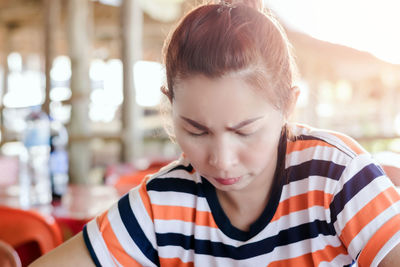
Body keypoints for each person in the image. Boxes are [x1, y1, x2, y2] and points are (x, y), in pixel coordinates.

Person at [31, 0, 400, 266]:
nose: (221, 159)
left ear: (288, 105)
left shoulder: (335, 176)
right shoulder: (162, 204)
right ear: (170, 108)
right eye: (195, 130)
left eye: (244, 131)